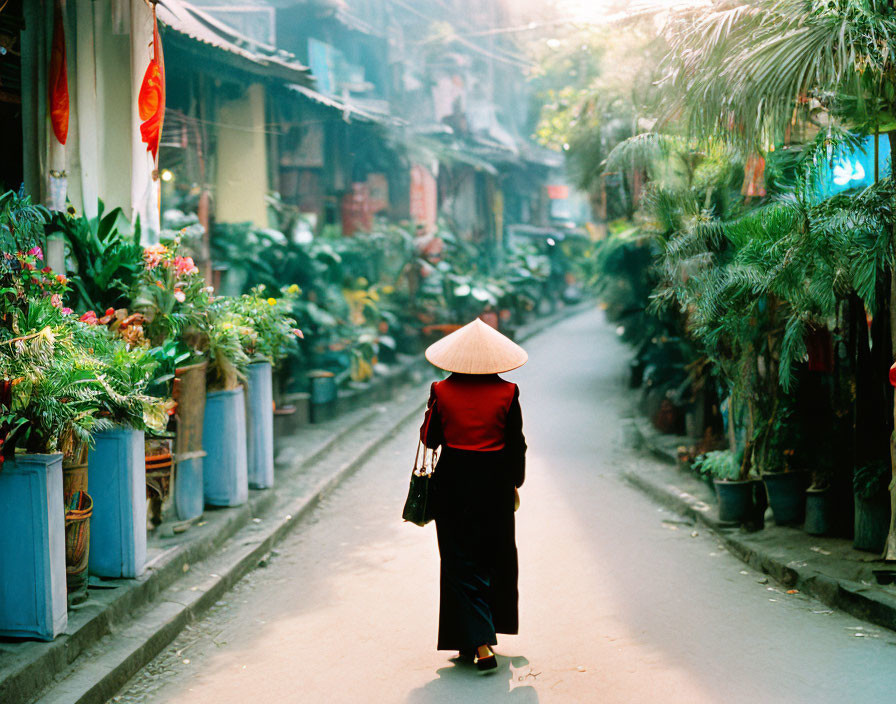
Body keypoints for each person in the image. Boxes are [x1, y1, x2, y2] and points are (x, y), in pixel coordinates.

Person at [419, 318, 528, 675]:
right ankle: (478, 635)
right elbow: (516, 444)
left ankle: (478, 643)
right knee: (492, 556)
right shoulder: (508, 392)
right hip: (495, 482)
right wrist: (515, 481)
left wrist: (431, 411)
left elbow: (431, 440)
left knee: (458, 560)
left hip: (453, 481)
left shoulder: (441, 389)